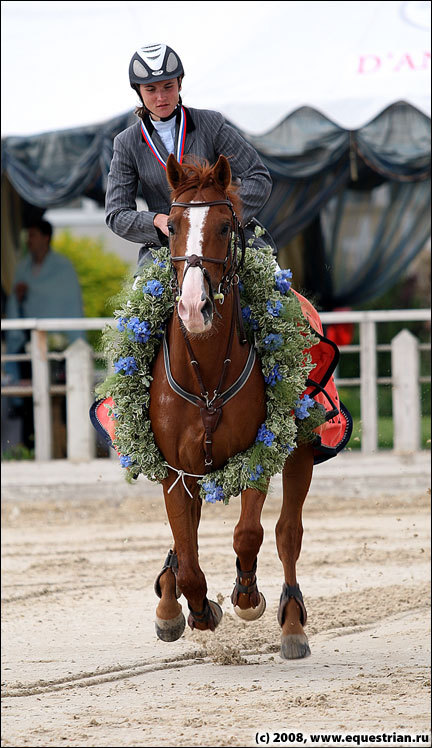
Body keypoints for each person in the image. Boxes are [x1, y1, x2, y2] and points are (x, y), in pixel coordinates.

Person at [105, 43, 276, 268]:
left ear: (180, 83)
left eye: (168, 87)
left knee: (277, 289)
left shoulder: (211, 124)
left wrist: (221, 217)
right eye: (151, 90)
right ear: (138, 90)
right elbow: (116, 213)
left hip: (224, 239)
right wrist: (157, 221)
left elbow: (258, 176)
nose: (161, 97)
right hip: (168, 247)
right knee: (133, 301)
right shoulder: (126, 143)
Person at [4, 219, 84, 454]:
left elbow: (69, 304)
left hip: (61, 346)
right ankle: (29, 446)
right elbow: (15, 306)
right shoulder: (23, 267)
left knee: (64, 396)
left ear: (46, 237)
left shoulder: (63, 267)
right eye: (28, 236)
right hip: (29, 344)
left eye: (33, 235)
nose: (29, 241)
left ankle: (69, 448)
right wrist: (18, 297)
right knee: (29, 397)